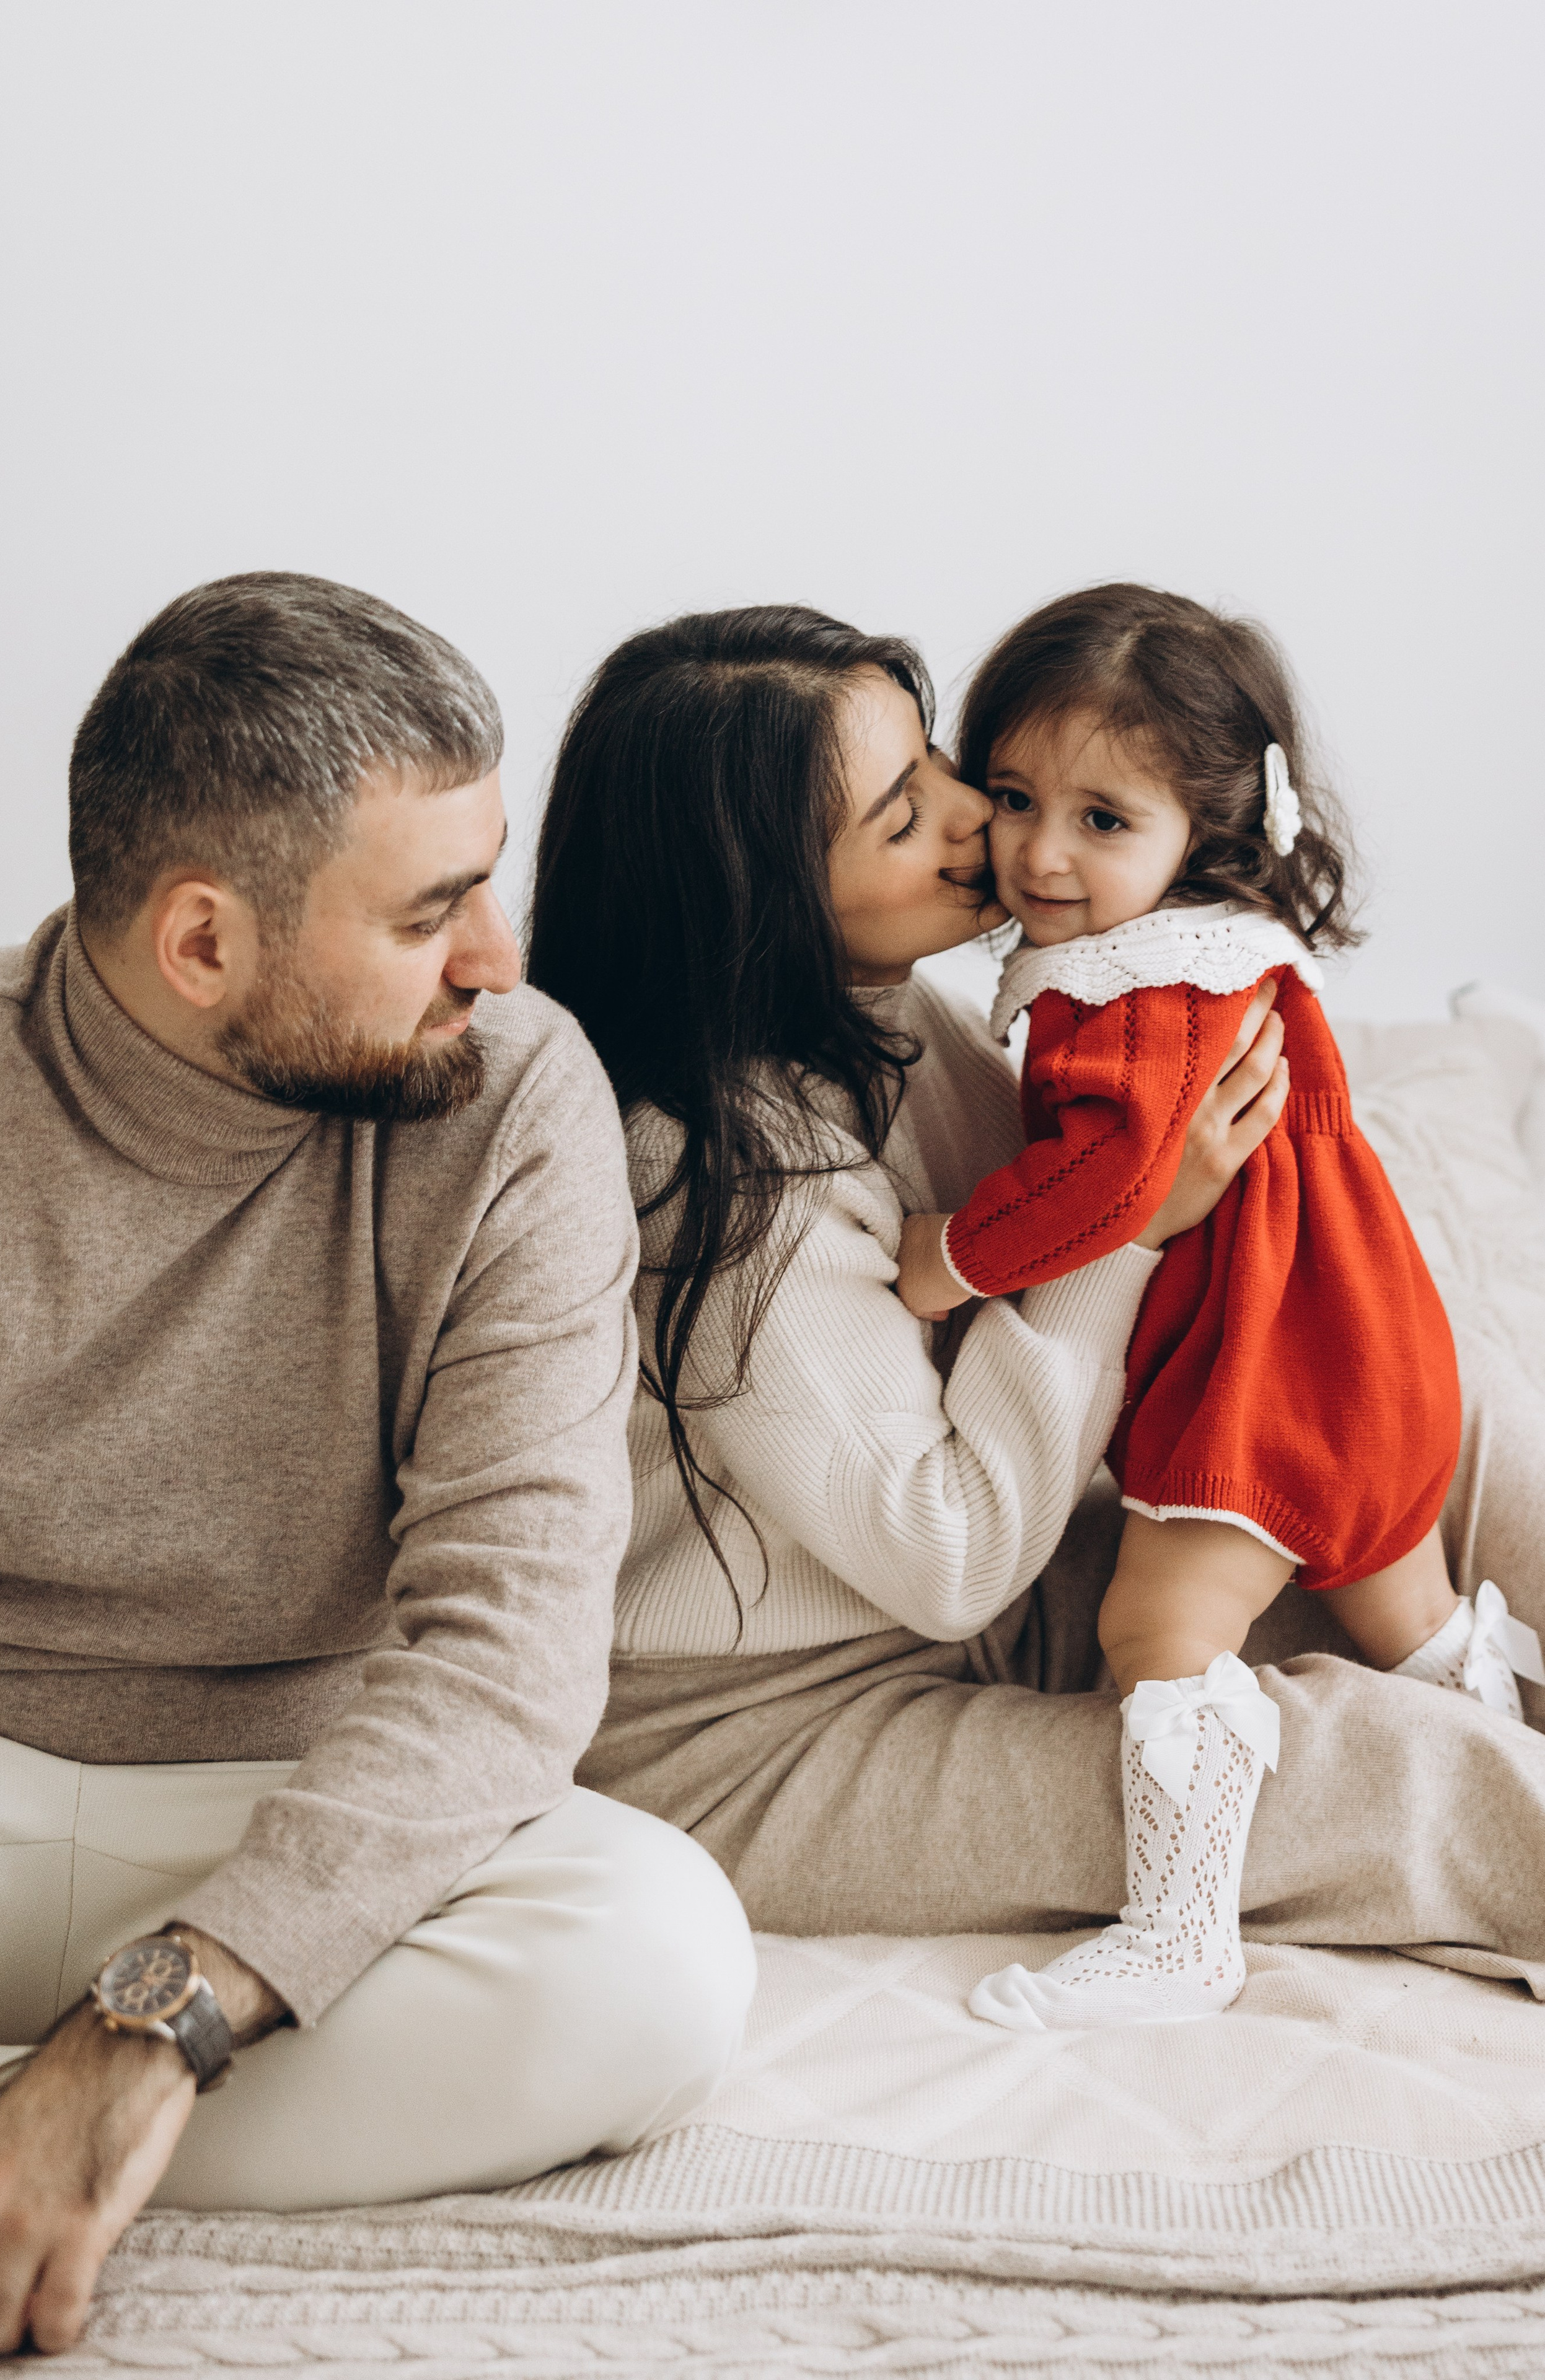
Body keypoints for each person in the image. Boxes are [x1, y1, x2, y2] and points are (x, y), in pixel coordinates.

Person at [0, 574, 756, 2360]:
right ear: (200, 944)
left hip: (306, 1816)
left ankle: (55, 2127)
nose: (500, 954)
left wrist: (146, 2028)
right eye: (431, 911)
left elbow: (510, 1652)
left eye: (490, 878)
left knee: (659, 1958)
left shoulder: (513, 1095)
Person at [527, 602, 1545, 1995]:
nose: (981, 821)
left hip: (965, 1593)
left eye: (938, 760)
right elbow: (950, 1541)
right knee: (1342, 1770)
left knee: (1416, 1419)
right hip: (770, 1725)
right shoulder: (730, 1180)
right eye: (903, 815)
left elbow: (1060, 1211)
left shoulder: (889, 1003)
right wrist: (1137, 1225)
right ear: (762, 901)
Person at [888, 584, 1541, 2032]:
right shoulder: (1212, 947)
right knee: (1407, 1617)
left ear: (1211, 833)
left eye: (1102, 819)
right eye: (1010, 795)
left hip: (1272, 1371)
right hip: (1374, 1354)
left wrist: (948, 1256)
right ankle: (1509, 1763)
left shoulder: (1139, 994)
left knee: (1158, 1626)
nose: (1040, 852)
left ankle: (1180, 1931)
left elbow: (1112, 1180)